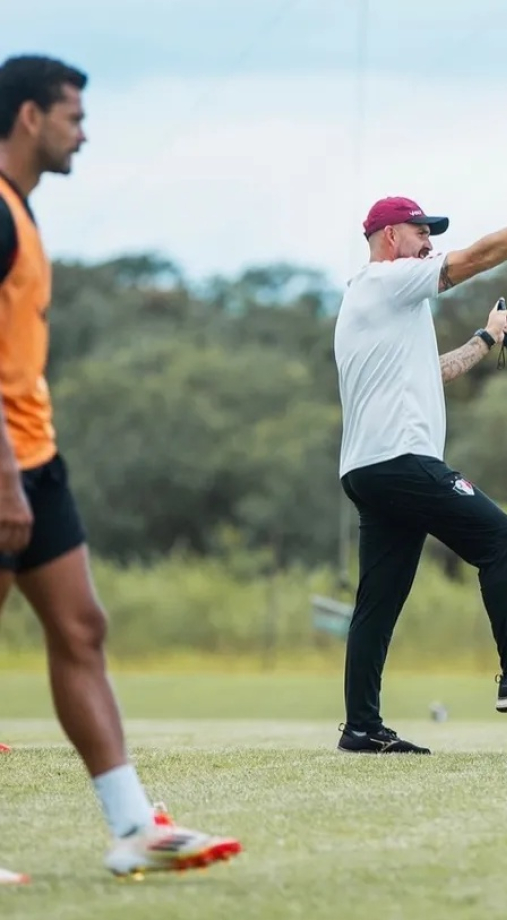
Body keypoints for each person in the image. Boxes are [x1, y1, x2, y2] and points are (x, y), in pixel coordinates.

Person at [0, 54, 241, 882]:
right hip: (2, 464)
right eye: (73, 115)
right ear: (30, 117)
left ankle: (133, 826)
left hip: (36, 460)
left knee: (81, 629)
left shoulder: (22, 215)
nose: (85, 131)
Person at [333, 177, 507, 754]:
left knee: (377, 604)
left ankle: (361, 729)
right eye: (420, 232)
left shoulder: (377, 300)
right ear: (387, 238)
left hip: (368, 470)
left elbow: (436, 371)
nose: (428, 242)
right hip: (402, 461)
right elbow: (477, 257)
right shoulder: (389, 279)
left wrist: (485, 337)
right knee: (502, 537)